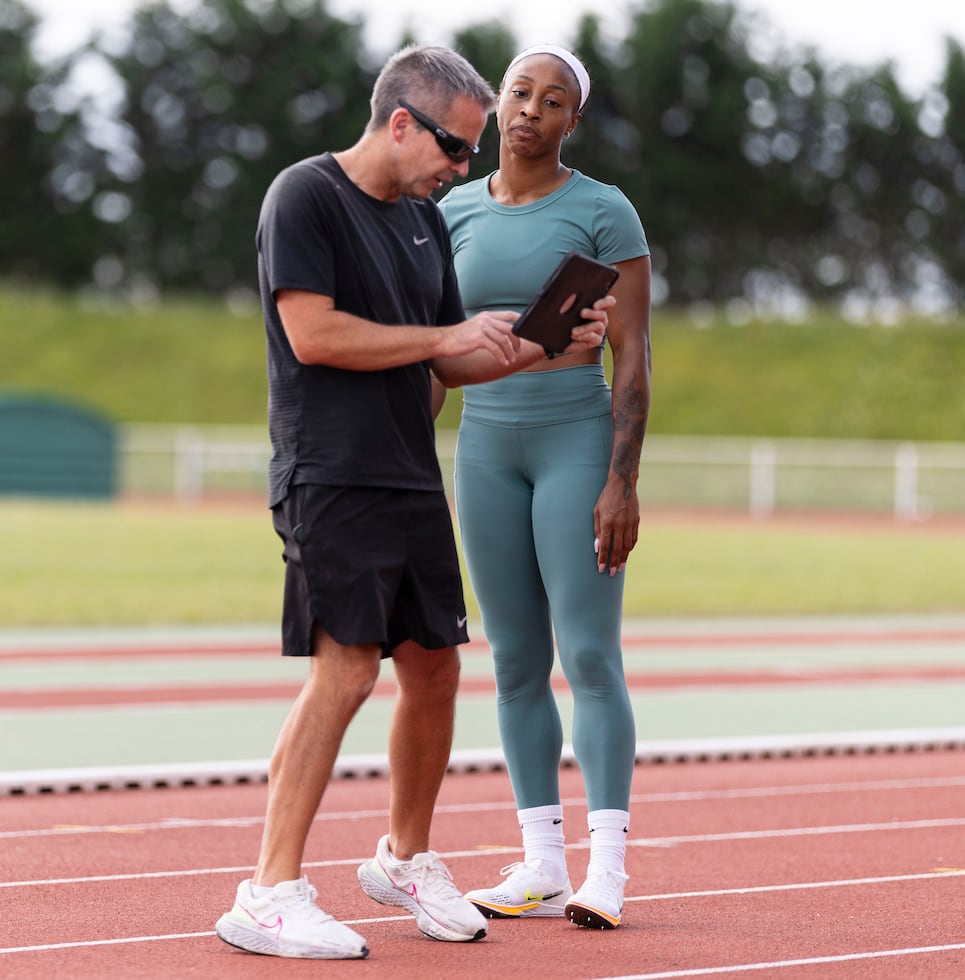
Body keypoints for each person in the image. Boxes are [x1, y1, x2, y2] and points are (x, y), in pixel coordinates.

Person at [213, 44, 609, 961]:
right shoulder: (304, 195)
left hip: (407, 469)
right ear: (401, 123)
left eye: (469, 155)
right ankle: (269, 890)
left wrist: (541, 346)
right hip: (332, 469)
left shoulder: (422, 224)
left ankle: (404, 856)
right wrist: (445, 332)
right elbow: (312, 335)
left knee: (435, 664)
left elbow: (442, 364)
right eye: (454, 149)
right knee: (346, 671)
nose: (463, 169)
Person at [439, 44, 652, 930]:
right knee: (515, 662)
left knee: (590, 657)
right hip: (484, 447)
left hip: (574, 439)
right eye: (519, 92)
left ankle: (607, 870)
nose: (531, 108)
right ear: (495, 107)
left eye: (552, 99)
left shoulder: (603, 210)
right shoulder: (447, 209)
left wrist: (621, 481)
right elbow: (435, 346)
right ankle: (540, 863)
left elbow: (633, 355)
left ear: (573, 120)